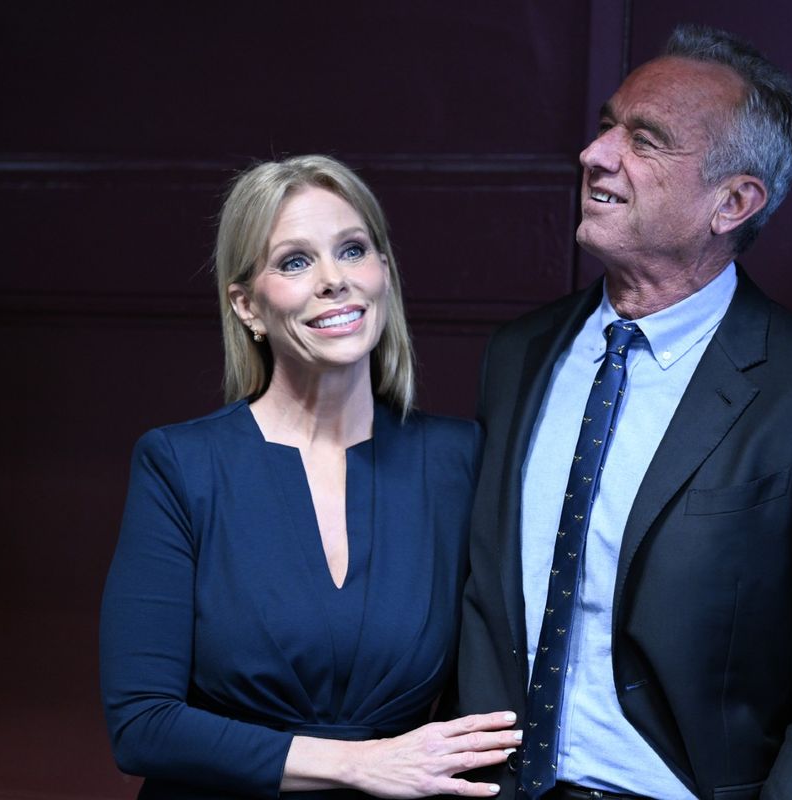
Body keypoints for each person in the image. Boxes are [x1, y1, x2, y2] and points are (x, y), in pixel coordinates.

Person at [458, 25, 792, 800]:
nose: (596, 154)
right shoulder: (519, 355)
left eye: (646, 139)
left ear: (733, 201)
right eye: (607, 125)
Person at [100, 155, 520, 800]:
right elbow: (142, 727)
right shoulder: (181, 465)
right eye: (295, 262)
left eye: (353, 250)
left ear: (384, 272)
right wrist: (359, 763)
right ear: (248, 306)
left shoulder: (460, 459)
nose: (334, 281)